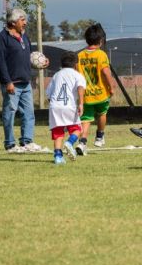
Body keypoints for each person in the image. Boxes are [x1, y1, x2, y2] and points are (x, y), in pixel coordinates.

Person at [0, 8, 44, 153]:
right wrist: (7, 81)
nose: (25, 23)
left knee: (29, 113)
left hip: (26, 82)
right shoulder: (1, 39)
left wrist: (41, 63)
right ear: (13, 22)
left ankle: (27, 142)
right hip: (12, 84)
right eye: (22, 20)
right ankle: (10, 144)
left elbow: (30, 56)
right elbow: (1, 62)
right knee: (10, 113)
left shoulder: (24, 36)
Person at [75, 23, 114, 156]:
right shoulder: (101, 54)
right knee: (102, 114)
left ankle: (82, 142)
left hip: (85, 95)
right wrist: (111, 87)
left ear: (87, 40)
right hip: (101, 93)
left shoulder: (79, 56)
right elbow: (106, 72)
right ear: (101, 41)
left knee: (86, 119)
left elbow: (76, 74)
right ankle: (99, 136)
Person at [46, 51, 86, 165]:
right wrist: (81, 103)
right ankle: (70, 142)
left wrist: (54, 106)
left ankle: (58, 157)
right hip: (69, 105)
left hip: (55, 106)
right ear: (76, 64)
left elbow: (49, 94)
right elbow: (80, 87)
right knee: (77, 129)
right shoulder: (77, 75)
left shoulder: (56, 75)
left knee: (58, 133)